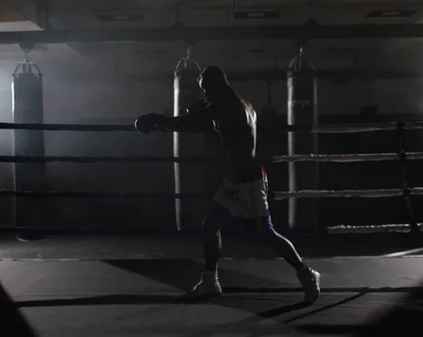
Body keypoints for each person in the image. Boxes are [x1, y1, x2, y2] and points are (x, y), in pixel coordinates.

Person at [135, 66, 320, 304]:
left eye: (206, 90)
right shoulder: (242, 105)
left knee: (267, 234)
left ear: (217, 85)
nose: (205, 96)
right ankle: (210, 281)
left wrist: (157, 121)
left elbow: (190, 125)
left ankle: (307, 274)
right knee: (210, 226)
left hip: (250, 182)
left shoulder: (227, 108)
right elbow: (227, 130)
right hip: (234, 180)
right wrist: (207, 114)